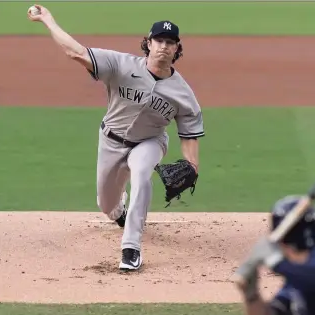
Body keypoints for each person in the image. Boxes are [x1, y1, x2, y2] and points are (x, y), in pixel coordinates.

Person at [27, 5, 205, 271]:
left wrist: (192, 165)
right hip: (110, 141)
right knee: (105, 204)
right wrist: (48, 20)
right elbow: (75, 52)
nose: (164, 46)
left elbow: (189, 132)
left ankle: (131, 247)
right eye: (159, 40)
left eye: (171, 42)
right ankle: (119, 212)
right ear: (148, 42)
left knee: (142, 173)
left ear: (177, 49)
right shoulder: (120, 65)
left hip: (150, 142)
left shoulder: (183, 94)